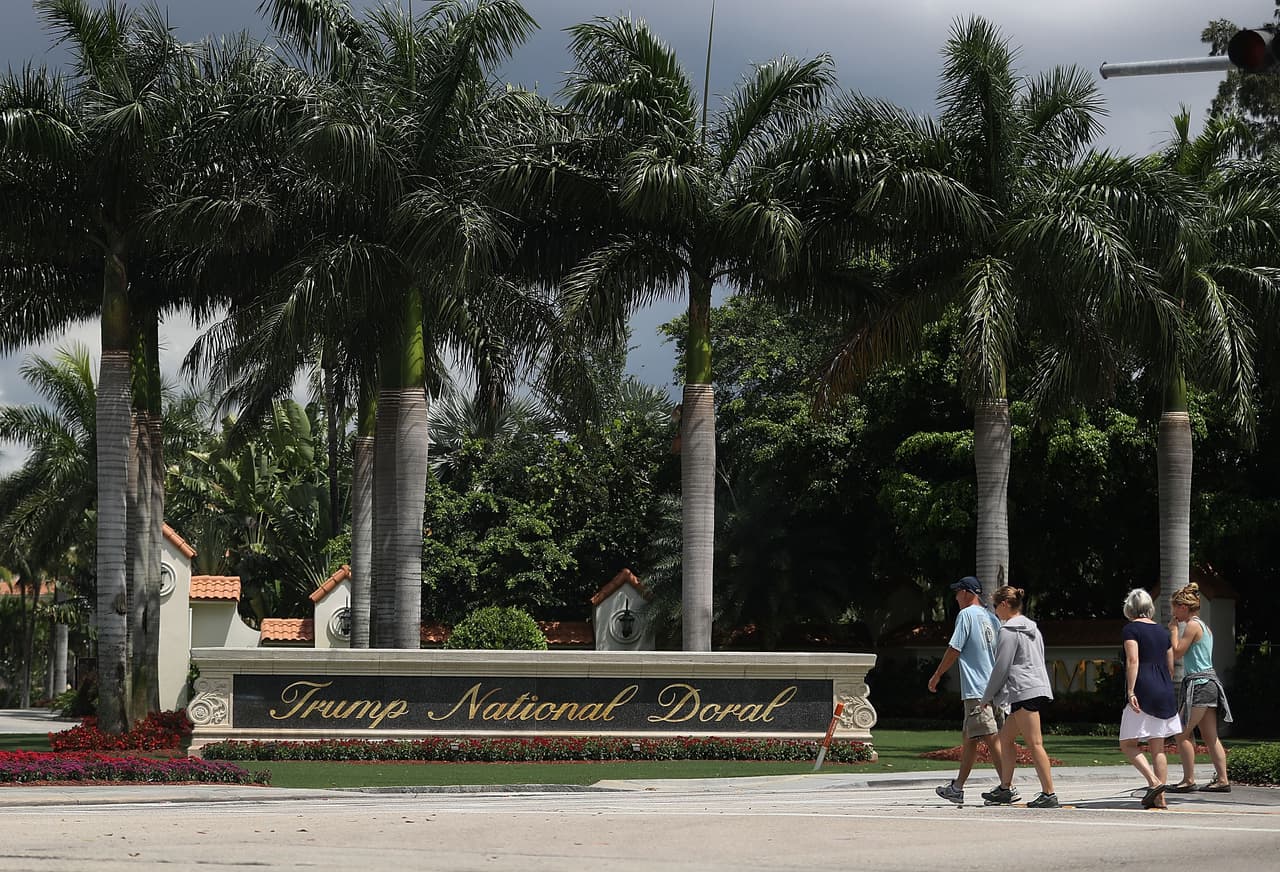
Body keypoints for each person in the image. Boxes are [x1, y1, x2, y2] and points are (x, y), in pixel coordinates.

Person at [927, 576, 1006, 805]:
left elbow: (955, 648)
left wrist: (937, 675)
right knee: (970, 738)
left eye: (957, 591)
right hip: (993, 688)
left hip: (977, 690)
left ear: (967, 592)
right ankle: (957, 788)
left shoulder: (966, 615)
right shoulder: (992, 618)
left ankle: (1007, 787)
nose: (955, 597)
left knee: (991, 739)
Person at [977, 585, 1058, 808]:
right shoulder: (1033, 628)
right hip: (1035, 687)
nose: (995, 611)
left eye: (995, 606)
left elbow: (1001, 667)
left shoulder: (1009, 630)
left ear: (1004, 605)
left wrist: (987, 697)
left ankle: (1049, 793)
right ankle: (1005, 787)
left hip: (1024, 690)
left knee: (1035, 743)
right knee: (1006, 738)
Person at [1167, 582, 1234, 793]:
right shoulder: (1206, 627)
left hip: (1199, 685)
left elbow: (1177, 652)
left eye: (1175, 607)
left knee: (1181, 733)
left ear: (1183, 607)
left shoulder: (1193, 626)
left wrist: (1173, 631)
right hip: (1209, 684)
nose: (1173, 612)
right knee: (1209, 735)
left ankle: (1188, 780)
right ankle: (1222, 780)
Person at [1118, 588, 1181, 810]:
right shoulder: (1163, 633)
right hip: (1164, 686)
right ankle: (1159, 798)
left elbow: (1133, 660)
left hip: (1144, 685)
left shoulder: (1131, 629)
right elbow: (1171, 666)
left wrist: (1131, 691)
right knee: (1158, 746)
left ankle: (1154, 783)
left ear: (1130, 608)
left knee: (1127, 743)